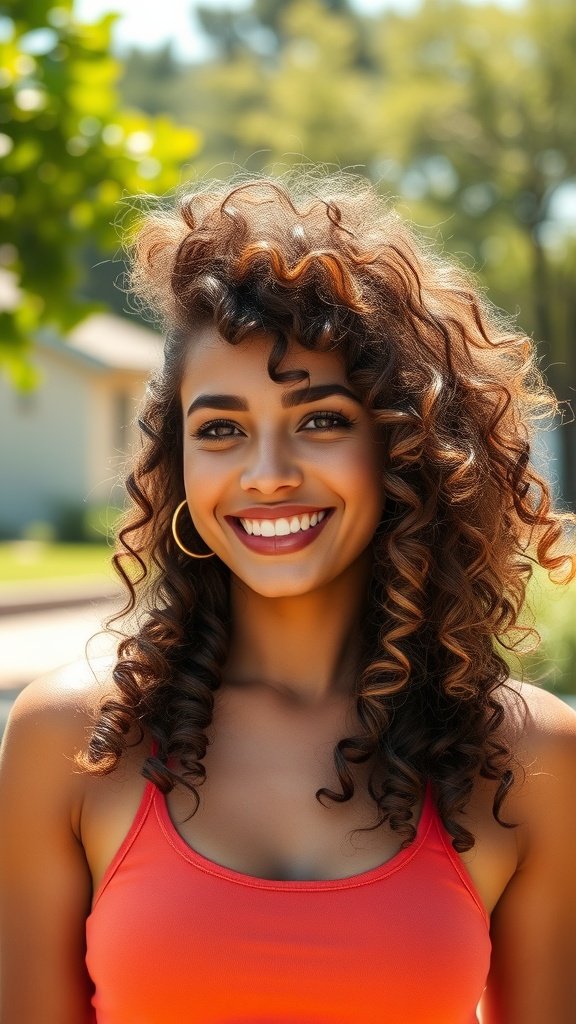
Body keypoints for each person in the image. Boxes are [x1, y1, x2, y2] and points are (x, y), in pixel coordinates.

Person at [1, 171, 575, 1024]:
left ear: (405, 448)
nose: (267, 476)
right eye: (222, 430)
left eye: (320, 421)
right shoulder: (72, 744)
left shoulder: (529, 761)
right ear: (177, 464)